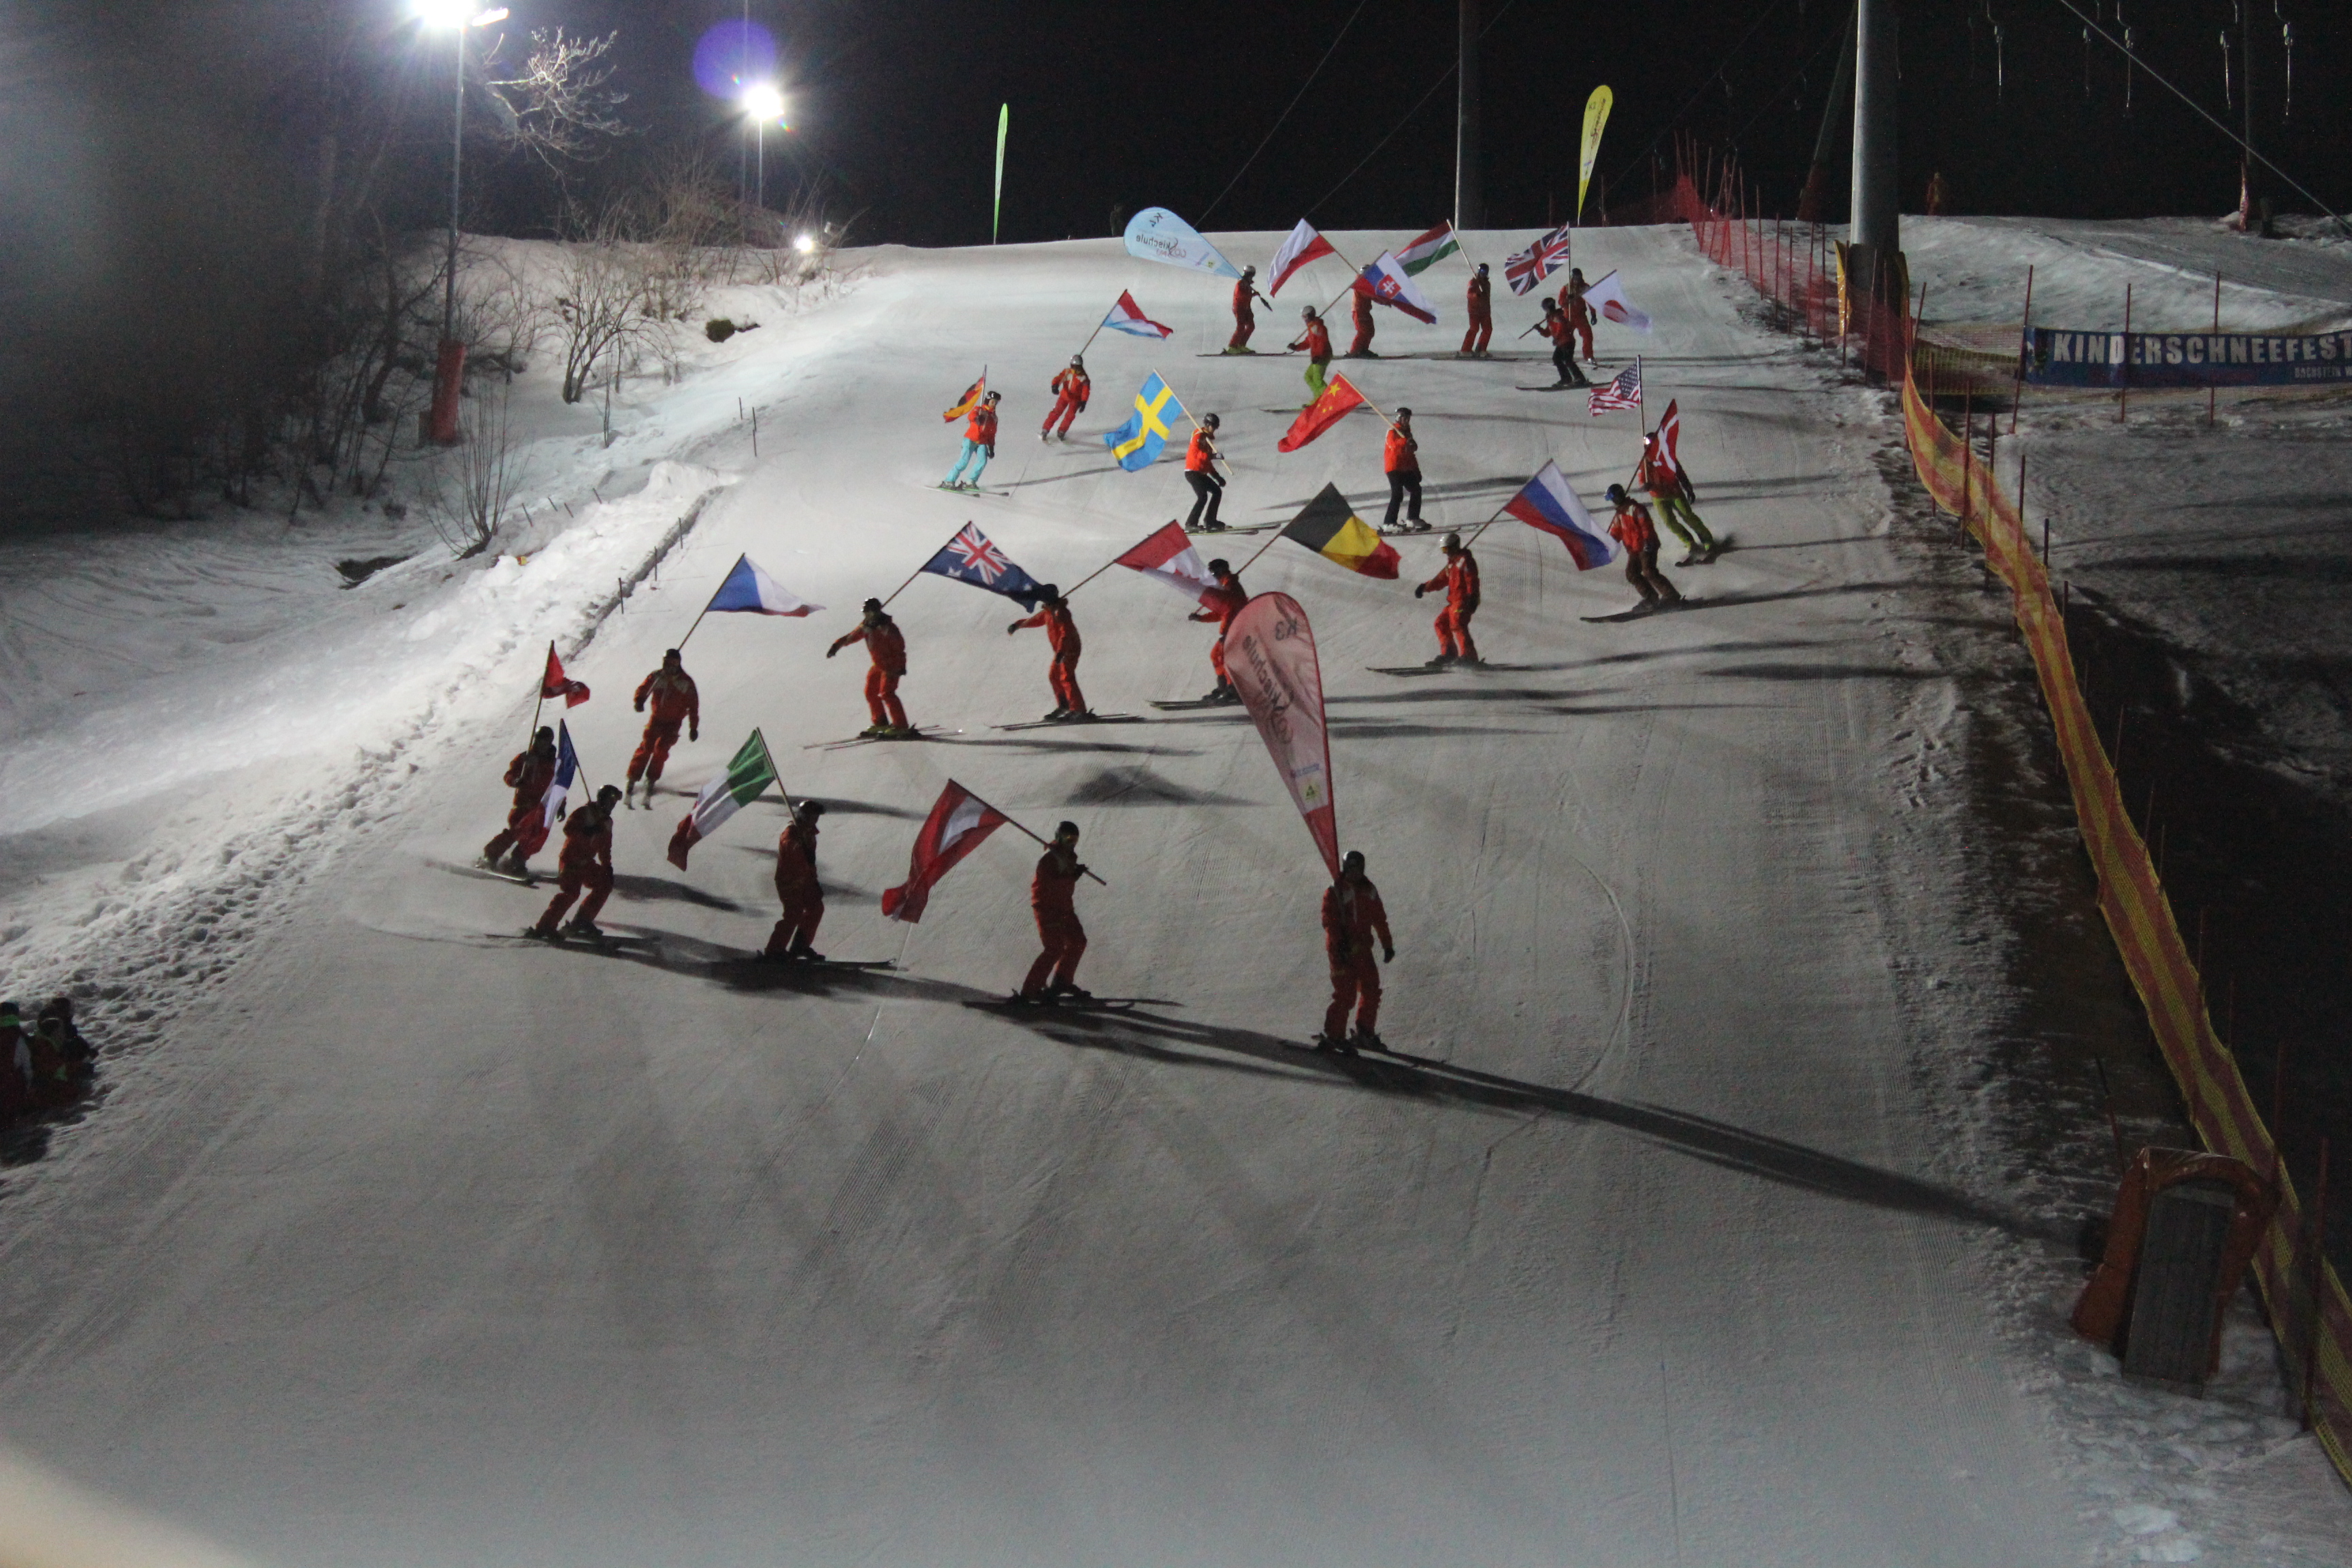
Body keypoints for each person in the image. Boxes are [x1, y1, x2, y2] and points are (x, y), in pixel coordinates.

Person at [1319, 850, 1394, 1051]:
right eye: (1350, 869)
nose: (1354, 873)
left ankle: (1365, 1031)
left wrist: (1387, 944)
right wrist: (1339, 944)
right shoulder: (1335, 891)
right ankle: (1334, 1035)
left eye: (1358, 869)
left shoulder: (1369, 890)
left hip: (1362, 950)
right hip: (1342, 951)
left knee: (1371, 989)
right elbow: (1329, 921)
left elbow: (1379, 919)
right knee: (1346, 993)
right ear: (1345, 869)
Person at [530, 783, 622, 941]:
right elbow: (569, 829)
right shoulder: (585, 813)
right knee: (571, 893)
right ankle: (546, 926)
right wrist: (586, 831)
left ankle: (582, 920)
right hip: (571, 860)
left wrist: (607, 866)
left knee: (604, 883)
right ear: (602, 800)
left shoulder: (607, 822)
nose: (612, 806)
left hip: (587, 863)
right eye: (610, 801)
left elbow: (605, 847)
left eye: (614, 803)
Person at [1019, 821, 1092, 1002]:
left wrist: (1074, 874)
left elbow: (1064, 882)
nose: (1071, 843)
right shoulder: (1049, 859)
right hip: (1047, 908)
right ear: (1059, 838)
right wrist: (1072, 876)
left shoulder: (1069, 857)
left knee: (1078, 941)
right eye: (1068, 839)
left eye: (1074, 840)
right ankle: (1030, 990)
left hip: (1064, 907)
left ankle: (1062, 981)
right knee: (1054, 948)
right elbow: (1051, 884)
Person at [625, 651, 699, 808]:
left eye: (672, 664)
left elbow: (693, 707)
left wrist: (693, 728)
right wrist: (639, 700)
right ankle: (633, 777)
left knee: (661, 749)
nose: (668, 668)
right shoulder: (657, 677)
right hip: (656, 720)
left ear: (677, 664)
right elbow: (644, 688)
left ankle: (651, 779)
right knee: (647, 746)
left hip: (673, 723)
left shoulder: (686, 682)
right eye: (666, 663)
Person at [828, 598, 911, 736]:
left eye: (866, 612)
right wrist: (836, 646)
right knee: (870, 692)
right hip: (878, 665)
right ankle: (880, 722)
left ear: (873, 612)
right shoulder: (867, 626)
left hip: (891, 665)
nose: (865, 615)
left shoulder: (887, 627)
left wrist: (900, 665)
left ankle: (901, 725)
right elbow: (852, 636)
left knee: (887, 693)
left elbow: (899, 647)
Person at [1635, 429, 1718, 564]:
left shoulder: (1667, 456)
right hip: (1659, 496)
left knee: (1687, 515)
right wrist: (1645, 485)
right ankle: (1689, 542)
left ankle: (1707, 540)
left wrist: (1688, 487)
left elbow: (1679, 472)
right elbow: (1642, 479)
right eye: (1649, 446)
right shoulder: (1645, 462)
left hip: (1674, 492)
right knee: (1669, 522)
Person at [481, 726, 559, 872]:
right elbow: (509, 775)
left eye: (545, 741)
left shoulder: (553, 764)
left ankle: (518, 859)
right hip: (523, 805)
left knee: (535, 836)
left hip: (540, 808)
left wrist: (561, 805)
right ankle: (491, 854)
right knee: (518, 831)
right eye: (539, 740)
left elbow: (556, 786)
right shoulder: (526, 758)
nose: (541, 744)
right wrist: (516, 781)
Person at [1008, 586, 1086, 720]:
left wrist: (1062, 651)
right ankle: (1065, 705)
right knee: (1054, 676)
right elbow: (1036, 620)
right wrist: (1018, 625)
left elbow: (1066, 633)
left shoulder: (1060, 612)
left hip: (1069, 648)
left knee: (1066, 677)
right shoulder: (1049, 611)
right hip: (1061, 650)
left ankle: (1078, 710)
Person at [763, 801, 828, 961]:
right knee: (794, 914)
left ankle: (800, 945)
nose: (816, 819)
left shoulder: (810, 833)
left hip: (806, 880)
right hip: (790, 881)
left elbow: (810, 862)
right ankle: (774, 950)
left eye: (817, 816)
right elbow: (789, 848)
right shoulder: (792, 833)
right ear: (804, 816)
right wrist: (798, 844)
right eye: (813, 815)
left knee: (816, 908)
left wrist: (814, 881)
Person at [1605, 485, 1682, 609]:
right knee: (1632, 574)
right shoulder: (1619, 514)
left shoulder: (1636, 509)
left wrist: (1647, 541)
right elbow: (1616, 532)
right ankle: (1651, 598)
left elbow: (1646, 526)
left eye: (1614, 498)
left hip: (1647, 545)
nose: (1614, 501)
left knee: (1649, 571)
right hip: (1634, 549)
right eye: (1612, 499)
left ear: (1620, 495)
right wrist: (1607, 542)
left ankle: (1671, 596)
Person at [1414, 531, 1481, 666]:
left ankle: (1469, 656)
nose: (1446, 553)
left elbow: (1472, 579)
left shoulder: (1465, 561)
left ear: (1455, 546)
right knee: (1441, 623)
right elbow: (1440, 580)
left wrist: (1473, 597)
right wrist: (1425, 587)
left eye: (1447, 549)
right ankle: (1449, 653)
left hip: (1464, 601)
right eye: (1444, 550)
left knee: (1458, 624)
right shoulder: (1451, 565)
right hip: (1453, 602)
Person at [1188, 558, 1249, 702]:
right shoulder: (1225, 586)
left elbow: (1230, 609)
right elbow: (1221, 612)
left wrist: (1228, 630)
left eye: (1213, 572)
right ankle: (1224, 687)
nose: (1212, 575)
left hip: (1235, 629)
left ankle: (1233, 690)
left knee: (1227, 658)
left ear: (1219, 570)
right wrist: (1201, 618)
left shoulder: (1231, 586)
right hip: (1230, 630)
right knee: (1216, 655)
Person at [942, 389, 1001, 491]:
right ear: (987, 401)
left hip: (982, 442)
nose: (994, 405)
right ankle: (949, 481)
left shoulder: (994, 418)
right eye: (992, 402)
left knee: (982, 461)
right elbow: (971, 416)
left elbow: (992, 434)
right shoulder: (979, 410)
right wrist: (977, 418)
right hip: (970, 439)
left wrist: (991, 447)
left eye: (996, 403)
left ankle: (970, 481)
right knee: (964, 462)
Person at [1382, 407, 1424, 532]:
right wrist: (1405, 441)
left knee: (1416, 490)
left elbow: (1410, 455)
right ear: (1399, 418)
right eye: (1404, 418)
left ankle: (1412, 518)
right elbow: (1394, 446)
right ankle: (1389, 523)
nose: (1406, 421)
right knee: (1397, 494)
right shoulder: (1392, 431)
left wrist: (1416, 469)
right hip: (1394, 467)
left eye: (1408, 418)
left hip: (1406, 468)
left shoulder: (1407, 433)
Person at [1183, 413, 1226, 532]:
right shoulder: (1198, 436)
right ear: (1208, 425)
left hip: (1201, 473)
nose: (1215, 429)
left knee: (1217, 492)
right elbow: (1197, 456)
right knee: (1202, 496)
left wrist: (1217, 477)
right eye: (1214, 426)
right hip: (1192, 472)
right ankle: (1190, 524)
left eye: (1216, 427)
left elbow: (1207, 463)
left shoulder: (1207, 440)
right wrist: (1213, 456)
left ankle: (1210, 521)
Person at [1289, 306, 1334, 403]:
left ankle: (1330, 400)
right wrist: (1296, 347)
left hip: (1323, 356)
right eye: (1303, 317)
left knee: (1317, 379)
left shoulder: (1319, 328)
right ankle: (1318, 397)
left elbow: (1322, 342)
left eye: (1305, 317)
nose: (1304, 320)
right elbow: (1308, 342)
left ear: (1310, 316)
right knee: (1308, 377)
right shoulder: (1312, 327)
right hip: (1317, 357)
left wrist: (1319, 356)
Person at [1541, 299, 1587, 388]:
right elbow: (1547, 333)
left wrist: (1557, 338)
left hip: (1567, 341)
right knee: (1557, 359)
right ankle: (1566, 378)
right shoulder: (1551, 318)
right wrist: (1539, 329)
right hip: (1561, 343)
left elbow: (1561, 327)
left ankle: (1580, 378)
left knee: (1568, 360)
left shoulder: (1557, 316)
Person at [1041, 356, 1090, 441]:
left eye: (1077, 367)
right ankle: (1046, 429)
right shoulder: (1067, 372)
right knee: (1056, 412)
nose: (1075, 369)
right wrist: (1055, 385)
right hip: (1064, 396)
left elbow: (1085, 391)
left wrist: (1083, 402)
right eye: (1073, 367)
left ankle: (1062, 431)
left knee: (1070, 416)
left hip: (1075, 400)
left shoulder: (1083, 378)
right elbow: (1059, 378)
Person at [1226, 265, 1271, 353]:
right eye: (1250, 275)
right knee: (1241, 327)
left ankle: (1241, 345)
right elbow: (1240, 295)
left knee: (1251, 326)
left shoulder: (1247, 283)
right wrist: (1252, 294)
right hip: (1239, 308)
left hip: (1246, 308)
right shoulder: (1240, 283)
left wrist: (1253, 294)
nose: (1251, 277)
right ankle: (1232, 346)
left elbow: (1246, 295)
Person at [1561, 269, 1599, 365]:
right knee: (1566, 337)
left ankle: (1589, 356)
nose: (1577, 280)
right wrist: (1567, 299)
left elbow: (1591, 301)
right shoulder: (1566, 288)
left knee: (1587, 335)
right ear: (1571, 278)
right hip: (1569, 317)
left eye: (1579, 277)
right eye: (1575, 278)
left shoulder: (1585, 287)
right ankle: (1565, 356)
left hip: (1580, 316)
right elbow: (1561, 302)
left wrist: (1593, 314)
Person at [1460, 262, 1493, 357]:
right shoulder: (1473, 282)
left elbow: (1487, 297)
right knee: (1474, 328)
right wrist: (1476, 295)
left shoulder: (1487, 284)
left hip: (1485, 310)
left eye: (1485, 272)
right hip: (1474, 310)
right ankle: (1466, 349)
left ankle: (1481, 349)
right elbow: (1469, 295)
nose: (1484, 274)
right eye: (1482, 272)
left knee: (1488, 329)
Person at [1345, 285, 1377, 358]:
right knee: (1363, 331)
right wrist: (1383, 300)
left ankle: (1363, 349)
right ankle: (1355, 351)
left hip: (1364, 310)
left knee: (1369, 331)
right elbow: (1369, 294)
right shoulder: (1361, 286)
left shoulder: (1364, 285)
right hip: (1359, 311)